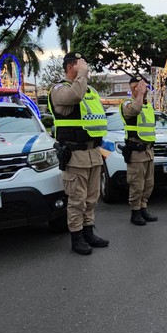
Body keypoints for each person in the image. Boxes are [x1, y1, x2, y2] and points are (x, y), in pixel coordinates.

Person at [48, 52, 109, 255]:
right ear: (69, 67)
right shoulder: (58, 89)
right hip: (75, 155)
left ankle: (88, 232)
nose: (84, 67)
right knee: (77, 199)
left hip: (93, 152)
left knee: (92, 198)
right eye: (79, 64)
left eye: (84, 64)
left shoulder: (88, 89)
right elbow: (75, 96)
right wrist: (82, 74)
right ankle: (76, 237)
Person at [120, 76, 158, 226]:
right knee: (137, 184)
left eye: (144, 86)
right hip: (136, 152)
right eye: (138, 87)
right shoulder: (127, 104)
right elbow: (134, 111)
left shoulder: (148, 106)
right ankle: (135, 211)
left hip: (148, 152)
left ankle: (143, 207)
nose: (143, 89)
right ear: (133, 88)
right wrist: (140, 94)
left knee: (148, 183)